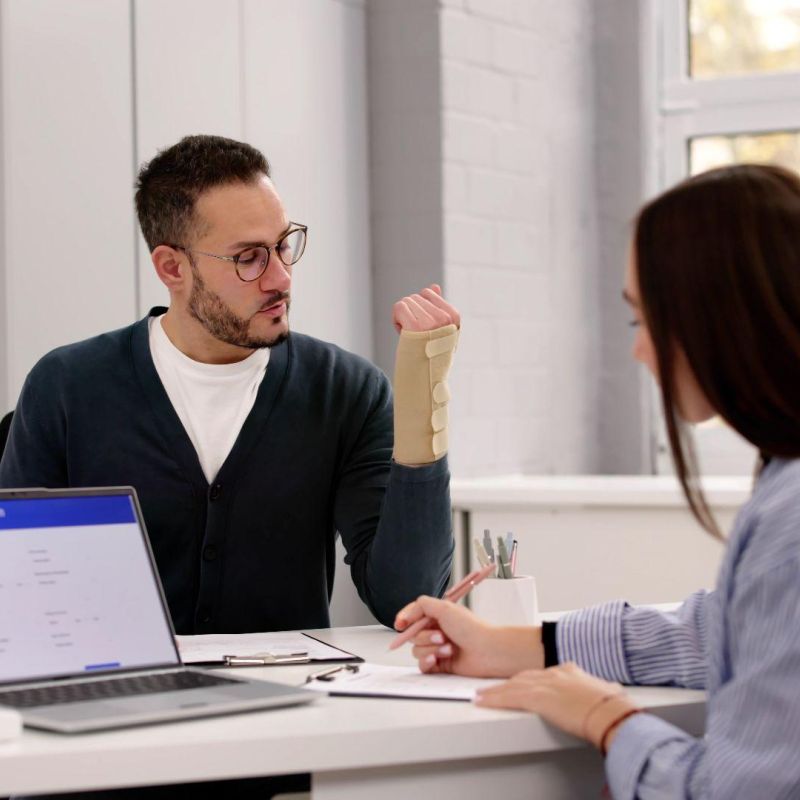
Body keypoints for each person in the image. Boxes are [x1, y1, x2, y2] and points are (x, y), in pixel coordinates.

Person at [394, 164, 800, 799]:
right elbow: (724, 629)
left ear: (723, 316)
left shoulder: (790, 526)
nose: (639, 351)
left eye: (644, 321)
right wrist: (516, 646)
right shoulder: (783, 482)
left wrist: (606, 719)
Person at [0, 133, 459, 636]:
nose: (281, 277)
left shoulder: (346, 391)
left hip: (293, 701)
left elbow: (407, 598)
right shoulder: (67, 387)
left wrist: (423, 406)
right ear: (172, 267)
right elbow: (19, 590)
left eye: (284, 245)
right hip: (113, 697)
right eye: (249, 258)